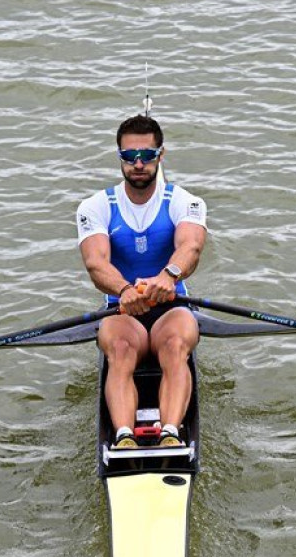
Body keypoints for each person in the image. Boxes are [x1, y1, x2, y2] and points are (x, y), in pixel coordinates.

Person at [76, 115, 207, 449]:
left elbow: (190, 248)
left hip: (172, 308)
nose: (138, 163)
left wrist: (169, 276)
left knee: (176, 345)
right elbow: (96, 264)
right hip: (121, 311)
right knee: (119, 349)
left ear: (161, 156)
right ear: (119, 157)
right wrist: (124, 290)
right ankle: (122, 437)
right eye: (128, 156)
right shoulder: (95, 206)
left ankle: (171, 433)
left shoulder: (185, 202)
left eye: (147, 156)